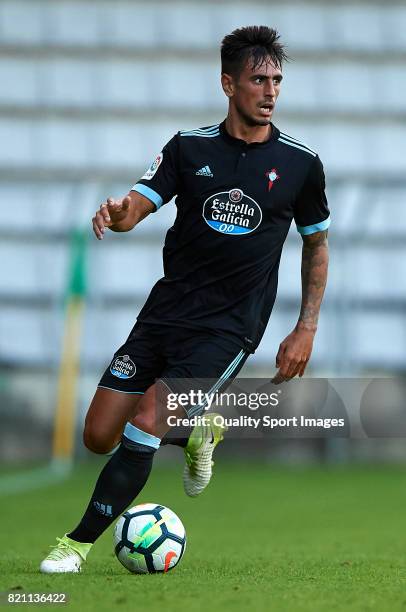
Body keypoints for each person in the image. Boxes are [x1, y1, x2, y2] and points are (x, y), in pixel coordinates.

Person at [40, 25, 330, 573]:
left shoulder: (300, 165)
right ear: (227, 84)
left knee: (146, 420)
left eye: (277, 81)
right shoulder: (188, 146)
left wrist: (305, 326)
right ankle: (200, 428)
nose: (270, 92)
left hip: (229, 328)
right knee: (99, 435)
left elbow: (316, 248)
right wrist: (119, 214)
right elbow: (137, 205)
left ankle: (74, 545)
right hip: (165, 313)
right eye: (257, 80)